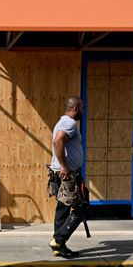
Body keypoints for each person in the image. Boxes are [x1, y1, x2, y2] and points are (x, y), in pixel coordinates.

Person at [48, 96, 88, 258]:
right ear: (76, 108)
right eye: (82, 108)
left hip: (61, 173)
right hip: (67, 175)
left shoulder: (62, 122)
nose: (83, 112)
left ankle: (59, 246)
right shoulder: (70, 123)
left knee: (63, 210)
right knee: (82, 206)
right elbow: (58, 142)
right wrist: (64, 166)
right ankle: (58, 239)